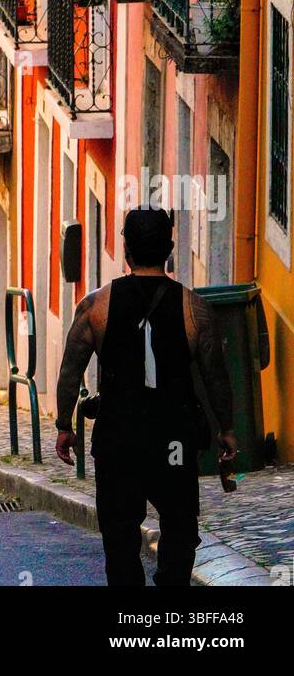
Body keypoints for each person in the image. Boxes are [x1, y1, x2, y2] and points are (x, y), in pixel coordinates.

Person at [54, 206, 237, 588]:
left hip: (119, 438)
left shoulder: (95, 307)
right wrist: (227, 430)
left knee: (119, 538)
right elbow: (215, 375)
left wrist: (64, 425)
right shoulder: (194, 309)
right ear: (169, 248)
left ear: (126, 250)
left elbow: (71, 369)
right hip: (174, 439)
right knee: (180, 528)